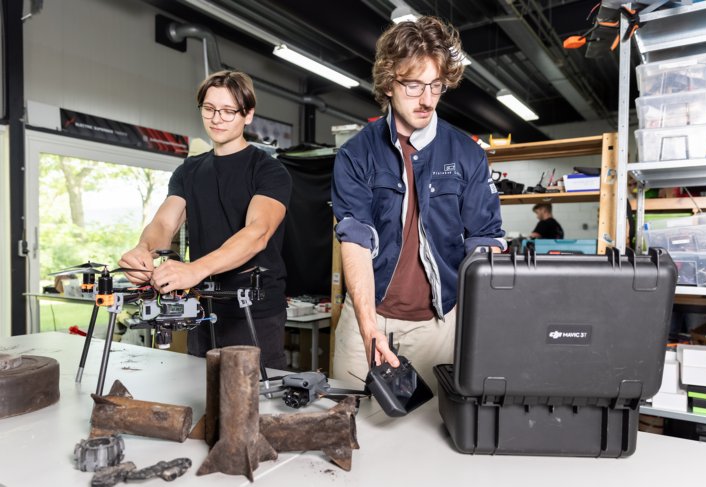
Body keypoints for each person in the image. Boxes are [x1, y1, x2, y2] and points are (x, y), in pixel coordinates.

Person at [331, 16, 506, 390]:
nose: (426, 99)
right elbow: (355, 242)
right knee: (345, 423)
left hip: (438, 326)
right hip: (367, 315)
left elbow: (485, 240)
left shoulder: (468, 155)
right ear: (389, 82)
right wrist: (368, 329)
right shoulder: (356, 154)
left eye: (436, 86)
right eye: (413, 85)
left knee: (428, 433)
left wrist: (485, 325)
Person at [119, 70, 292, 368]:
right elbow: (164, 223)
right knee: (202, 395)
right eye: (209, 109)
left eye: (228, 111)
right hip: (201, 307)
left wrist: (194, 269)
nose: (217, 119)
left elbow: (257, 232)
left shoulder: (269, 170)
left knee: (254, 404)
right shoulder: (189, 171)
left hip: (252, 310)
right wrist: (143, 250)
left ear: (247, 114)